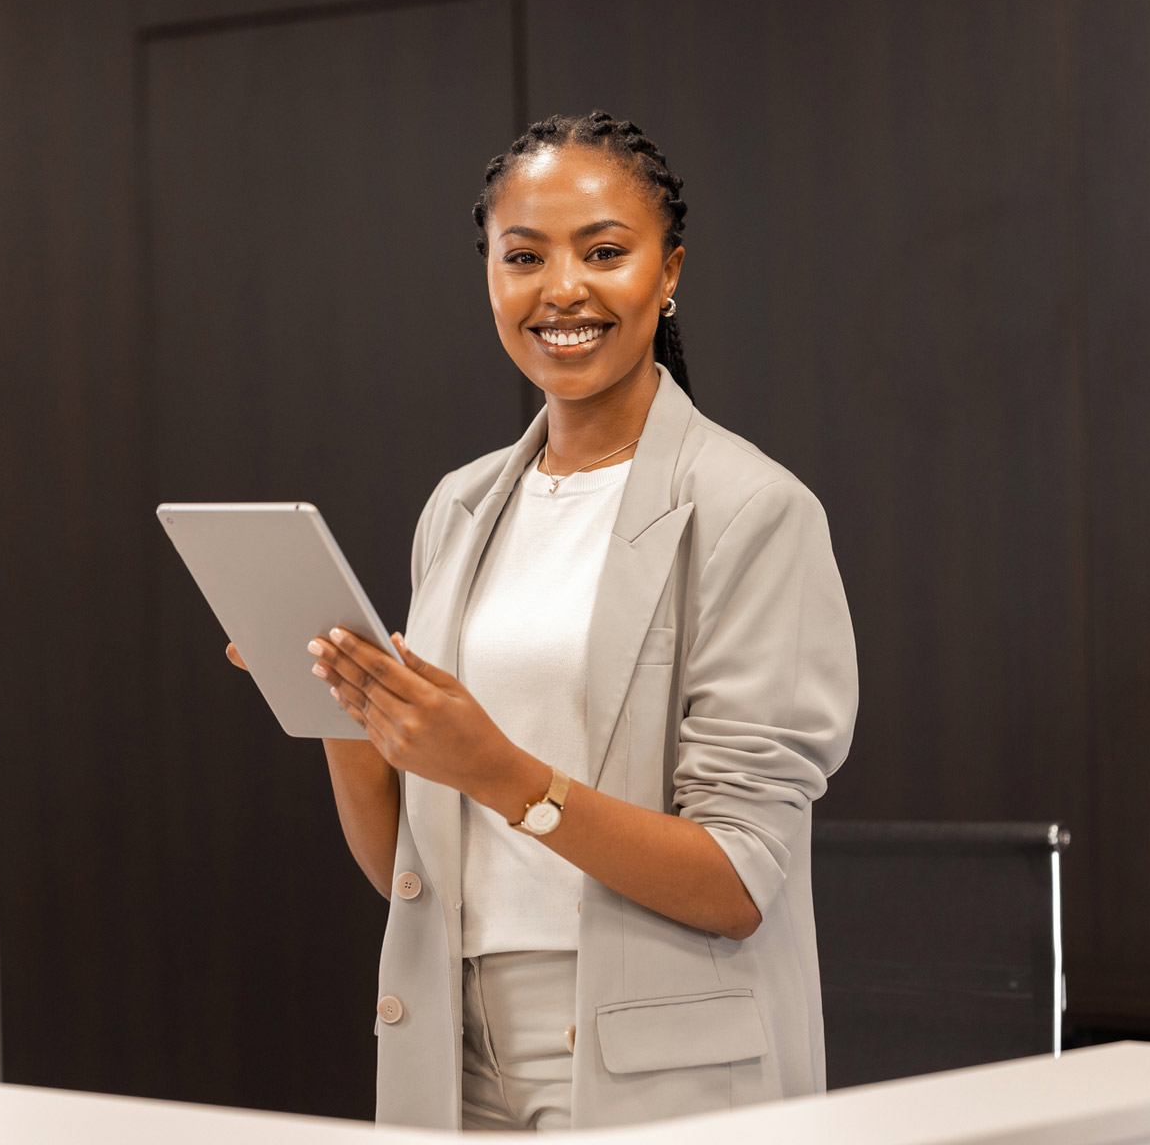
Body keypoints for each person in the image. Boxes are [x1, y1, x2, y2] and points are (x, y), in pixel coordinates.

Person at [228, 111, 858, 1130]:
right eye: (523, 256)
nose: (561, 288)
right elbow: (411, 868)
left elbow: (737, 879)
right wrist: (342, 714)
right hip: (453, 1042)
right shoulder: (462, 508)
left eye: (604, 251)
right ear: (489, 275)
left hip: (654, 1059)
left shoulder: (754, 509)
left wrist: (501, 771)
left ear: (669, 272)